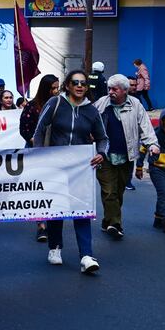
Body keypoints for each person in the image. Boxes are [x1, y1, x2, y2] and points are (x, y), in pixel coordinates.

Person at [33, 70, 108, 274]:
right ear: (67, 85)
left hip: (81, 168)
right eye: (75, 82)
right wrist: (39, 156)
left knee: (81, 210)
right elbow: (39, 130)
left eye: (83, 83)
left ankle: (86, 255)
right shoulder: (55, 103)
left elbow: (103, 138)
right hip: (55, 166)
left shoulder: (91, 111)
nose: (80, 86)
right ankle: (55, 247)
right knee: (57, 208)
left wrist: (101, 153)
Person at [93, 74, 159, 239]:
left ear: (124, 91)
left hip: (127, 156)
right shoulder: (101, 103)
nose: (110, 92)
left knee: (119, 191)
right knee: (109, 191)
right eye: (109, 88)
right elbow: (89, 122)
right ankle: (116, 224)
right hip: (104, 155)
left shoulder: (135, 104)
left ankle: (107, 220)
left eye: (114, 89)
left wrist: (152, 144)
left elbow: (145, 126)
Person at [19, 73, 60, 242]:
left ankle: (53, 221)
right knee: (38, 189)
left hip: (55, 152)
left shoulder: (60, 105)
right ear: (45, 89)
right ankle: (41, 225)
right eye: (53, 88)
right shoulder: (33, 106)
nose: (56, 91)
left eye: (58, 87)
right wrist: (34, 140)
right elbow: (24, 128)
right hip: (36, 152)